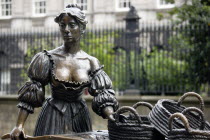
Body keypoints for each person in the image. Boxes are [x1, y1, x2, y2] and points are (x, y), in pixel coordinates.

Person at [10, 4, 118, 139]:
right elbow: (31, 94)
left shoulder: (91, 62)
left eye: (72, 25)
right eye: (62, 25)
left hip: (80, 118)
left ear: (82, 28)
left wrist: (111, 115)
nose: (66, 30)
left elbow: (103, 94)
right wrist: (19, 125)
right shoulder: (47, 58)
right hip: (53, 116)